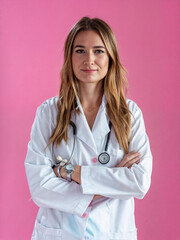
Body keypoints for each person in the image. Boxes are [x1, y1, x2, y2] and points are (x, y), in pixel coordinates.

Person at [25, 17, 152, 240]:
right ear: (70, 57)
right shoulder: (48, 113)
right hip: (60, 233)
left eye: (98, 51)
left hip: (112, 232)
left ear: (110, 57)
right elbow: (39, 186)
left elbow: (139, 182)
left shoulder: (130, 114)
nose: (89, 60)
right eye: (80, 51)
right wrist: (114, 178)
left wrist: (70, 172)